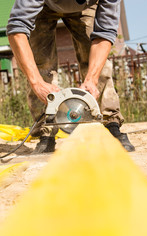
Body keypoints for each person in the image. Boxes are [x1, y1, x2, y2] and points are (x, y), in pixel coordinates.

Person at [7, 0, 135, 153]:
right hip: (44, 8)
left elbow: (105, 33)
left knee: (96, 63)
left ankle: (110, 122)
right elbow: (17, 29)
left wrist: (91, 80)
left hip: (86, 7)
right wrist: (37, 83)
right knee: (40, 62)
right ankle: (46, 131)